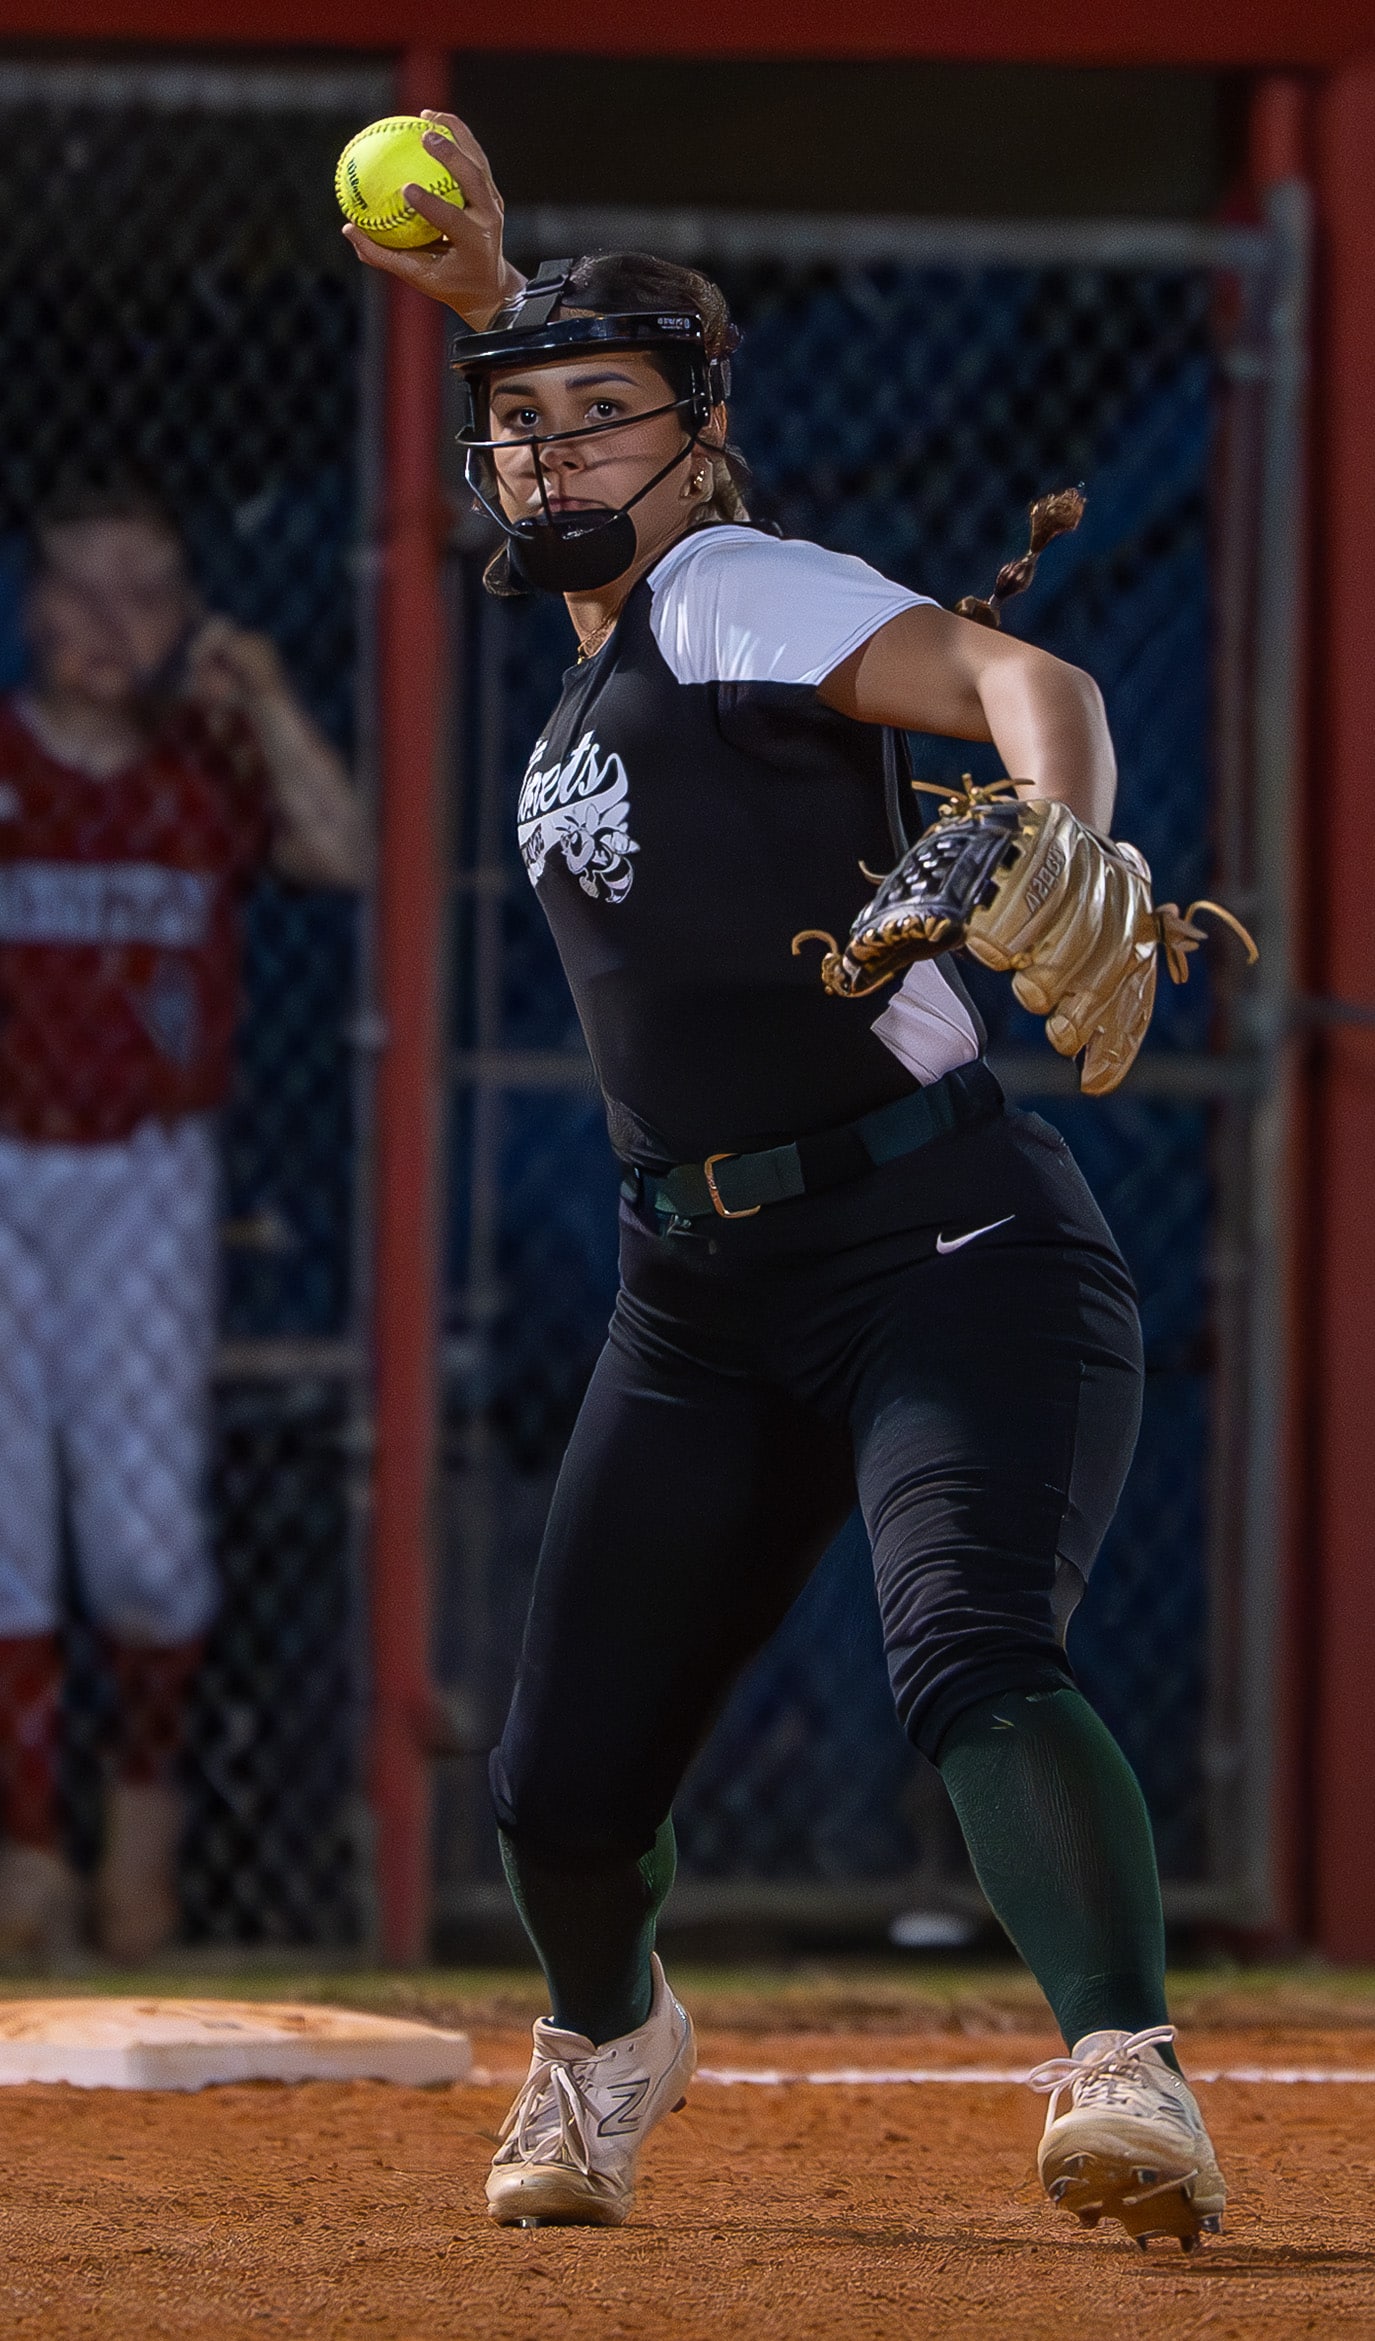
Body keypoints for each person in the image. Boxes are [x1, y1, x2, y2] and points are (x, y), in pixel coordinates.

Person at [346, 112, 1226, 2247]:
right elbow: (575, 474)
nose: (547, 457)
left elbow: (1030, 674)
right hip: (702, 1298)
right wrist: (501, 302)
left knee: (970, 1651)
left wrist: (1067, 832)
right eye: (518, 431)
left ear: (706, 438)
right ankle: (611, 2032)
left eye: (598, 423)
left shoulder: (734, 581)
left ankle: (1125, 2062)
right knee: (557, 1796)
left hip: (941, 1248)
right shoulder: (617, 634)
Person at [0, 477, 366, 1967]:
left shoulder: (203, 760)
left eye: (146, 590)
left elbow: (343, 852)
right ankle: (32, 1864)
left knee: (149, 1548)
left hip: (150, 1173)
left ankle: (138, 1826)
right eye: (81, 588)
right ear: (29, 610)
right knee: (9, 1535)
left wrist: (265, 695)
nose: (111, 621)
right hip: (4, 1165)